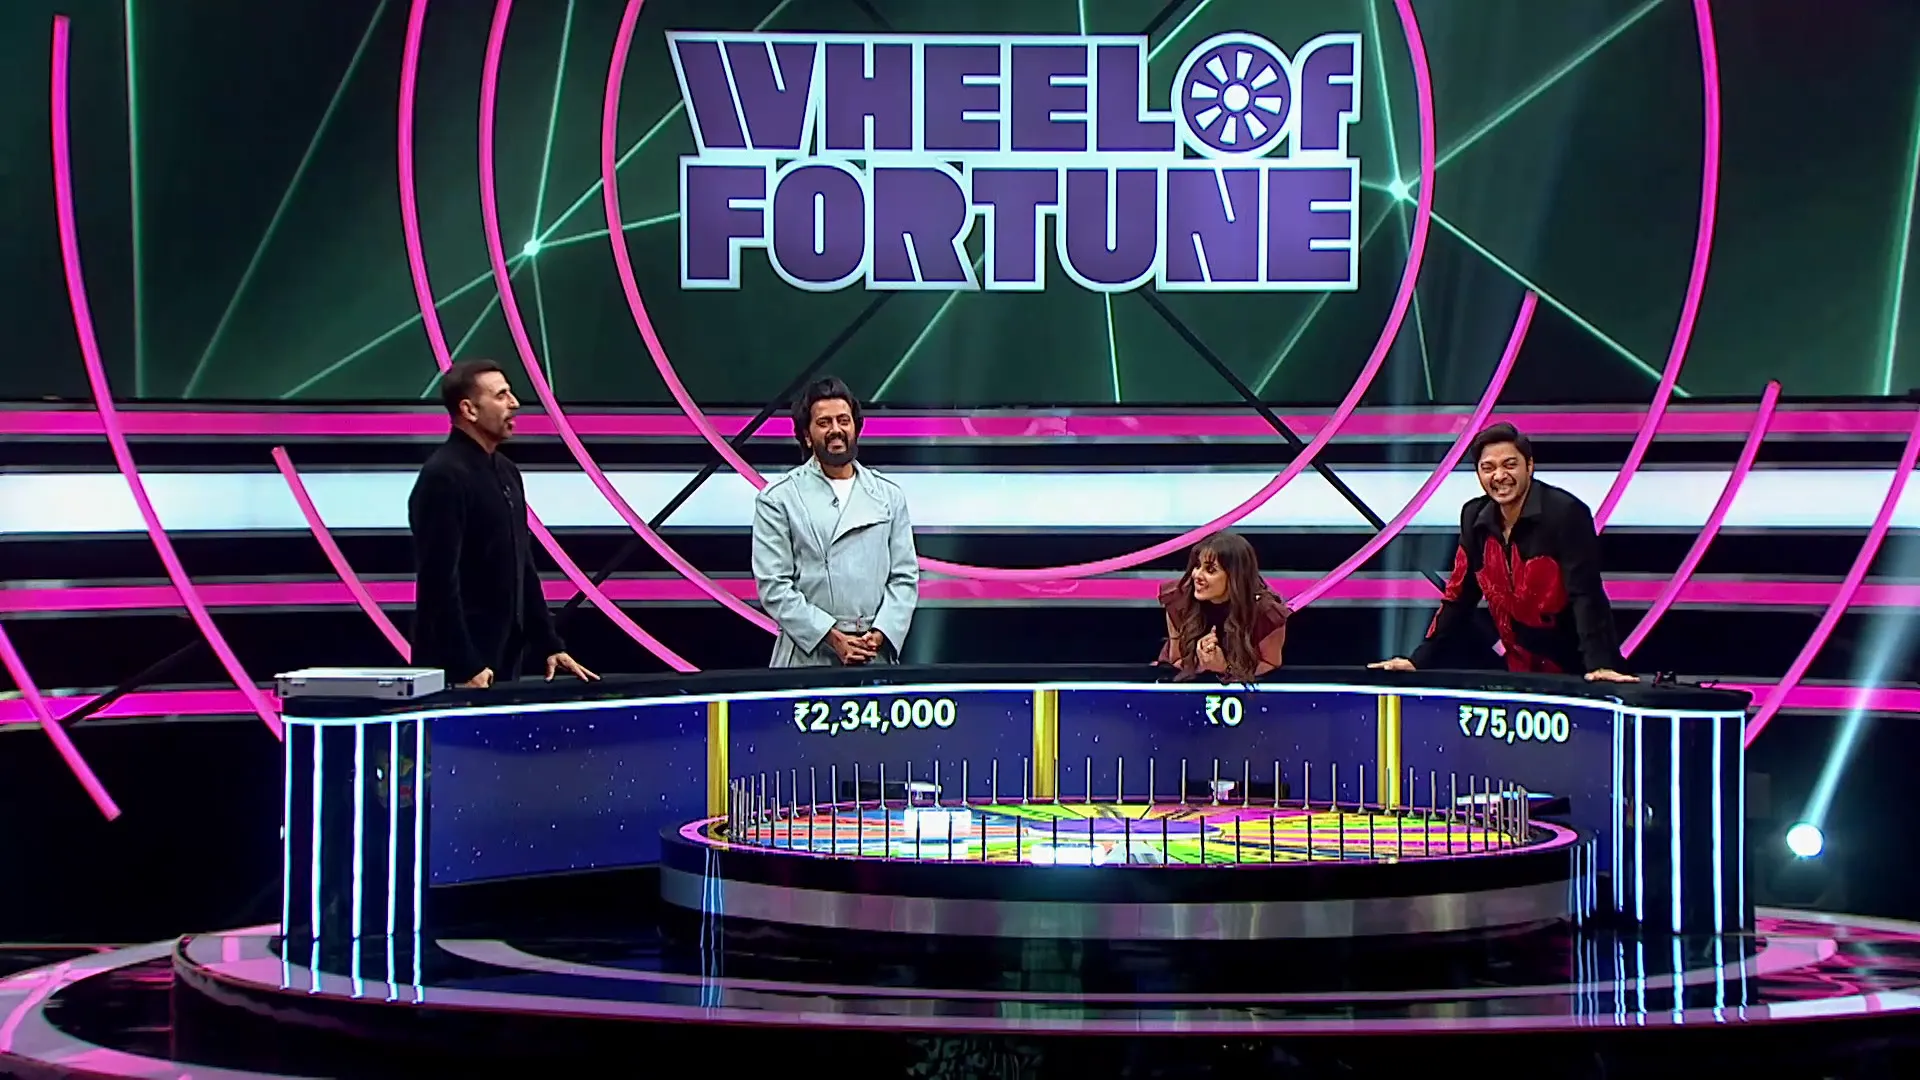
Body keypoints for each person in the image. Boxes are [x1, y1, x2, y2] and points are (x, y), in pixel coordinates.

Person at [1371, 422, 1633, 682]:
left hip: (1581, 673)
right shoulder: (1474, 517)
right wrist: (1418, 660)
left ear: (1529, 466)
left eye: (1509, 465)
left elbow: (1585, 595)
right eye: (1488, 468)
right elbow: (1459, 599)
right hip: (1521, 673)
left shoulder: (1565, 513)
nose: (1499, 476)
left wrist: (1600, 665)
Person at [408, 359, 597, 689]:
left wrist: (549, 643)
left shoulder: (507, 471)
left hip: (503, 660)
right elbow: (438, 581)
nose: (515, 404)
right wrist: (465, 665)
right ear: (469, 410)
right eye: (501, 395)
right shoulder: (444, 476)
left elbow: (521, 563)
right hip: (461, 670)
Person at [751, 377, 919, 667]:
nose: (836, 430)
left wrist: (880, 633)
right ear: (807, 435)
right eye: (824, 423)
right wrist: (831, 636)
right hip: (807, 656)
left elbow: (904, 577)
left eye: (843, 420)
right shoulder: (778, 498)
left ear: (856, 428)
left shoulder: (889, 495)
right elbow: (774, 586)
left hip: (872, 654)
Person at [1157, 531, 1289, 680]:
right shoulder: (1179, 600)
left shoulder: (1266, 612)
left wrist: (1225, 668)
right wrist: (1201, 664)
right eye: (1197, 566)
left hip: (1244, 684)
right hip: (1183, 679)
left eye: (1210, 570)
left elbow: (1270, 664)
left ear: (1235, 576)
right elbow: (1175, 660)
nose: (1197, 575)